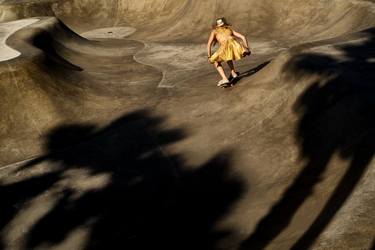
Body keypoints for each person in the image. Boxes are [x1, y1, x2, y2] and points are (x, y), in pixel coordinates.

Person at [207, 17, 251, 87]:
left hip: (225, 46)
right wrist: (247, 48)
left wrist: (209, 56)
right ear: (224, 23)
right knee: (228, 56)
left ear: (216, 25)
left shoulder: (214, 31)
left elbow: (209, 44)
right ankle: (233, 73)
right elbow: (243, 37)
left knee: (215, 61)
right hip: (235, 44)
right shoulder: (229, 29)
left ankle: (224, 79)